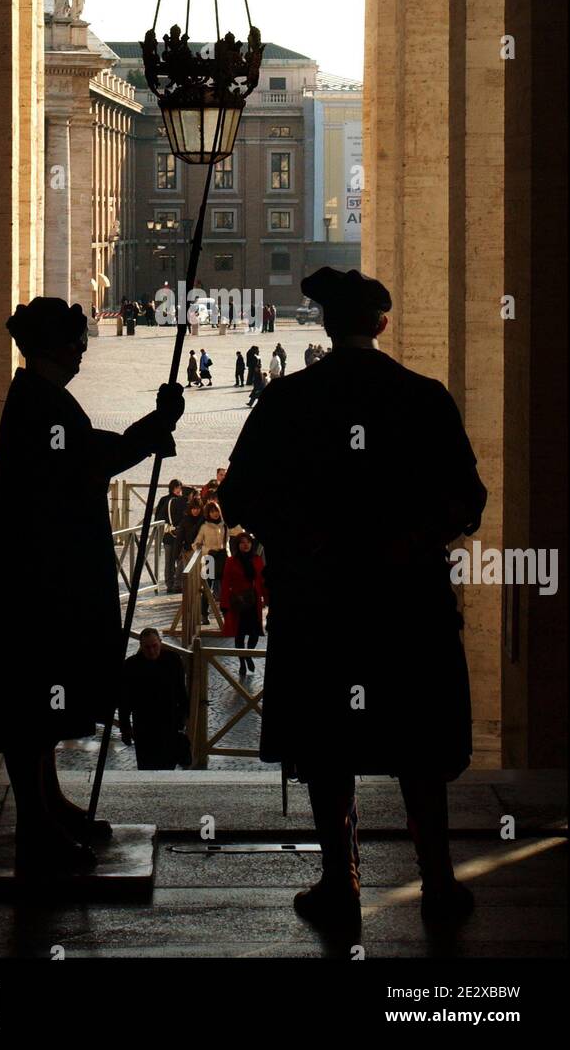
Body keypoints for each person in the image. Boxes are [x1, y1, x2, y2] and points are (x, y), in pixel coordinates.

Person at [217, 265, 488, 930]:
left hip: (320, 601)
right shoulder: (423, 397)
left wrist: (301, 540)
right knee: (418, 740)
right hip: (407, 602)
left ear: (324, 326)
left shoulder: (287, 401)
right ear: (383, 325)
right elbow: (468, 500)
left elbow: (239, 495)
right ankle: (438, 884)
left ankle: (339, 882)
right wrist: (412, 541)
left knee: (326, 741)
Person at [0, 297, 185, 877]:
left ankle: (49, 803)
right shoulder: (43, 405)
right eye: (78, 340)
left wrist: (150, 428)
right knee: (30, 701)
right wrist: (156, 425)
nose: (85, 349)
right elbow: (92, 459)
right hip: (39, 582)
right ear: (59, 347)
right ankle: (35, 827)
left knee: (41, 694)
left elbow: (88, 457)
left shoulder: (41, 399)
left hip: (42, 575)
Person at [119, 629, 190, 769]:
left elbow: (181, 692)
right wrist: (125, 728)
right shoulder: (131, 665)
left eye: (154, 646)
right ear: (141, 646)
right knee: (146, 769)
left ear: (160, 643)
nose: (151, 651)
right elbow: (125, 700)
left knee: (167, 769)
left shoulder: (173, 660)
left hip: (169, 725)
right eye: (147, 647)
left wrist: (183, 719)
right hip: (144, 728)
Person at [220, 534, 267, 677]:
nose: (245, 545)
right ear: (237, 545)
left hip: (254, 603)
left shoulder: (257, 560)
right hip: (239, 603)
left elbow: (263, 581)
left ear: (252, 544)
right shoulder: (231, 561)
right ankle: (242, 662)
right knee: (239, 635)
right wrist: (224, 603)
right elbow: (226, 582)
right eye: (242, 543)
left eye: (248, 542)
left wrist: (267, 598)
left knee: (254, 635)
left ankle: (248, 655)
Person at [193, 499, 228, 623]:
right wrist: (208, 550)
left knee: (225, 588)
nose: (215, 514)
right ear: (208, 513)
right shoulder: (204, 527)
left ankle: (226, 613)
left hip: (223, 558)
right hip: (208, 559)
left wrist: (226, 553)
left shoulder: (224, 525)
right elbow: (196, 544)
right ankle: (204, 614)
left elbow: (228, 541)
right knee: (207, 588)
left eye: (216, 511)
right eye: (212, 511)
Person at [156, 478, 185, 592]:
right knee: (169, 561)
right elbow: (158, 518)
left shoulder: (181, 500)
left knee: (178, 560)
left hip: (176, 535)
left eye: (179, 488)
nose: (178, 490)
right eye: (176, 488)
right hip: (169, 535)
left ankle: (176, 584)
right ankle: (170, 584)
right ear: (171, 488)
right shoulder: (165, 500)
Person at [172, 493, 205, 592]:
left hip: (204, 552)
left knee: (204, 576)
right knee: (187, 575)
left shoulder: (205, 521)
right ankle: (179, 587)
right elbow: (180, 538)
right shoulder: (185, 521)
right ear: (190, 509)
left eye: (198, 508)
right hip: (189, 551)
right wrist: (176, 554)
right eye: (194, 508)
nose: (196, 511)